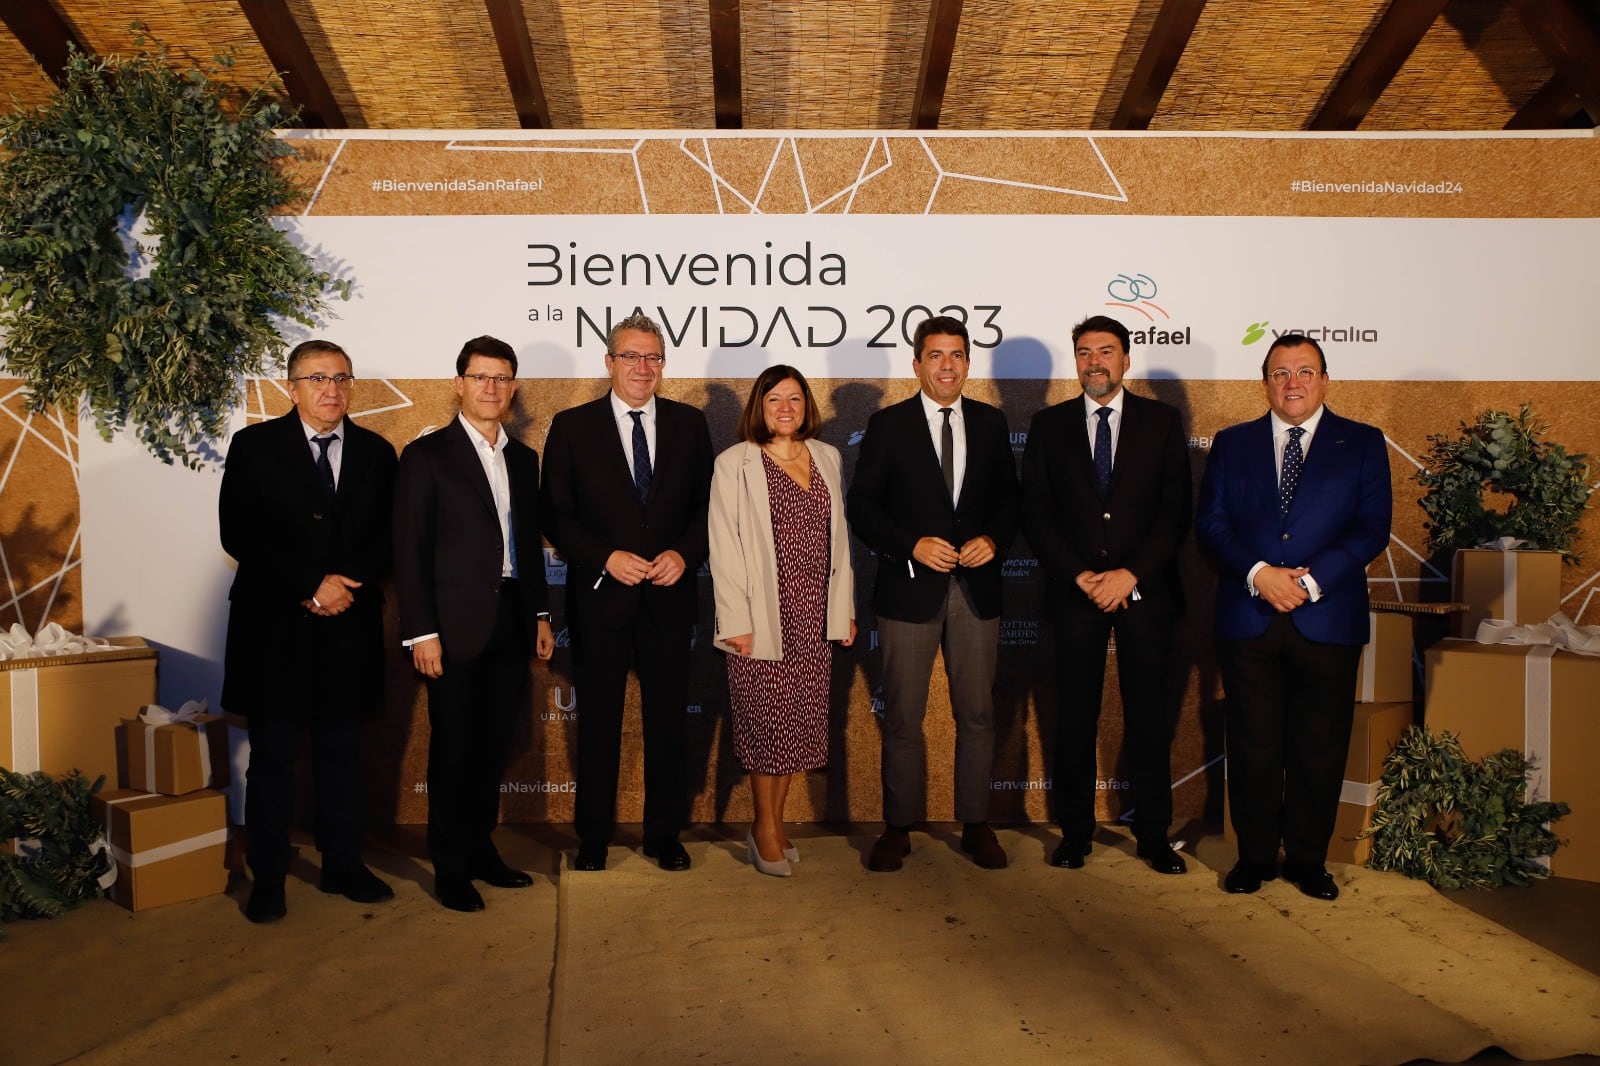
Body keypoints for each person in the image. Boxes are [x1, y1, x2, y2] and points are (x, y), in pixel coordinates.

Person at [1195, 333, 1391, 901]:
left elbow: (1370, 527)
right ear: (1265, 382)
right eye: (1281, 373)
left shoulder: (1362, 443)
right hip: (1248, 616)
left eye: (1305, 371)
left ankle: (1308, 861)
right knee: (1253, 746)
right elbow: (1212, 524)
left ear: (1325, 379)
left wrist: (1306, 581)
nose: (1293, 382)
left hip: (1327, 618)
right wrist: (1260, 573)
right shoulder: (1233, 444)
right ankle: (1254, 857)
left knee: (1320, 746)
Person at [220, 339, 397, 923]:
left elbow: (388, 537)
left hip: (347, 627)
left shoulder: (376, 452)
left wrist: (344, 584)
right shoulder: (253, 446)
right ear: (291, 387)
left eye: (342, 378)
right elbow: (239, 533)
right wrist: (310, 583)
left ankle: (343, 865)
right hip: (274, 630)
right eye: (318, 378)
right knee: (271, 758)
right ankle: (268, 875)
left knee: (341, 754)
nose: (332, 390)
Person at [541, 313, 714, 872]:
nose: (643, 368)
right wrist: (604, 557)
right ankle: (593, 836)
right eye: (632, 357)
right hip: (600, 598)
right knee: (597, 724)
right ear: (609, 362)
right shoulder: (571, 426)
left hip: (668, 597)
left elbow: (707, 508)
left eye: (654, 357)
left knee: (668, 721)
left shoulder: (691, 424)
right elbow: (556, 515)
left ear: (664, 364)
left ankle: (664, 835)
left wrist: (683, 555)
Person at [846, 314, 1019, 872]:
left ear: (969, 362)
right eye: (937, 355)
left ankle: (976, 823)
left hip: (976, 593)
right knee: (902, 717)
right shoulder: (888, 424)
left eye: (958, 355)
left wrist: (994, 538)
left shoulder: (992, 424)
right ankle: (898, 826)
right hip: (908, 592)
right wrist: (910, 545)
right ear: (916, 363)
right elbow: (863, 508)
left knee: (976, 715)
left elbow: (1010, 504)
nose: (948, 365)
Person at [1021, 315, 1192, 874]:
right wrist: (1079, 575)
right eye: (1085, 352)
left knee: (1149, 716)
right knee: (1074, 716)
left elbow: (1174, 512)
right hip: (1076, 594)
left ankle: (1153, 834)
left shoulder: (1163, 422)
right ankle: (1074, 832)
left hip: (1145, 592)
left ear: (1126, 359)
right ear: (1075, 360)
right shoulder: (1047, 426)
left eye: (1107, 351)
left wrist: (1130, 574)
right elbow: (1036, 514)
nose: (1095, 361)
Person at [393, 335, 555, 913]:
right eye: (481, 376)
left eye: (502, 377)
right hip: (452, 627)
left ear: (513, 387)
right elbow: (409, 551)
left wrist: (540, 613)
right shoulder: (427, 455)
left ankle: (482, 849)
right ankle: (451, 867)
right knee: (454, 749)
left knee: (492, 746)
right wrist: (421, 631)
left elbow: (528, 550)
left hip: (512, 620)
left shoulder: (522, 458)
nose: (492, 387)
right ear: (459, 383)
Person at [709, 366, 856, 877]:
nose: (786, 408)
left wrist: (844, 611)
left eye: (795, 398)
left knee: (798, 725)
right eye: (775, 400)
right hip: (761, 615)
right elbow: (723, 546)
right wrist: (735, 620)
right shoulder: (736, 463)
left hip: (815, 614)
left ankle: (771, 824)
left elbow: (841, 542)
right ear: (759, 407)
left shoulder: (828, 457)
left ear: (806, 406)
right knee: (766, 725)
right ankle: (764, 826)